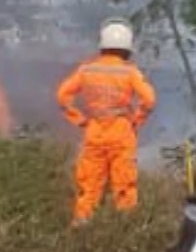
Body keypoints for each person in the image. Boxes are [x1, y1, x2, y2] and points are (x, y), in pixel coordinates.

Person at [56, 18, 157, 226]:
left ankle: (82, 223)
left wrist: (80, 120)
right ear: (127, 48)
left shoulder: (86, 69)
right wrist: (136, 121)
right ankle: (124, 226)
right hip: (121, 130)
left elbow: (62, 96)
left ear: (102, 44)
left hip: (94, 129)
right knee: (124, 182)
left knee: (89, 182)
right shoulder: (130, 71)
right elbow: (149, 100)